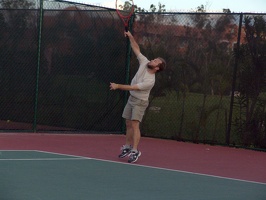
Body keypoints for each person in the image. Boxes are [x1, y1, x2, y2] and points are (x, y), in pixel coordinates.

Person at [109, 31, 166, 163]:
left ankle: (135, 150)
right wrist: (130, 36)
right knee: (128, 123)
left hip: (140, 102)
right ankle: (128, 147)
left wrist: (118, 86)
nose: (152, 60)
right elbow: (136, 48)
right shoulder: (144, 62)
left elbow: (133, 87)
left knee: (135, 125)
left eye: (156, 61)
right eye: (154, 59)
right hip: (131, 98)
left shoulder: (150, 81)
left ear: (157, 68)